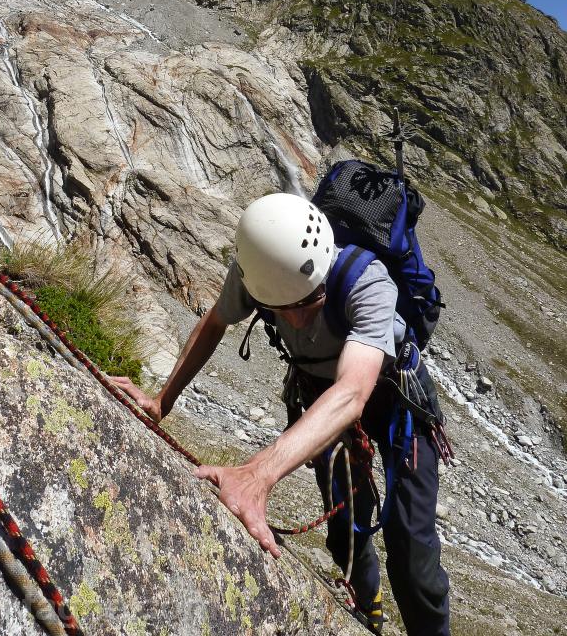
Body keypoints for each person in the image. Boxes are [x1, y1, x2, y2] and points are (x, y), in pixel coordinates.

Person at [112, 192, 450, 636]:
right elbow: (216, 321)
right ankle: (367, 606)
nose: (293, 321)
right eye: (280, 309)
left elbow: (352, 393)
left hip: (396, 406)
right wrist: (161, 402)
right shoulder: (259, 271)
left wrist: (257, 475)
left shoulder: (368, 283)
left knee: (410, 544)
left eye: (306, 306)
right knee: (345, 525)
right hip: (321, 399)